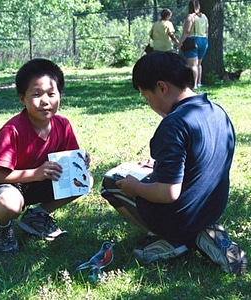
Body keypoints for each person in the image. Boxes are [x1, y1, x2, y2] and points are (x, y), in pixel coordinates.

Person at [101, 51, 247, 275]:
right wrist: (158, 166)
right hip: (211, 208)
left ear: (162, 87)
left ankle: (172, 239)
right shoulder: (217, 111)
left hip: (180, 215)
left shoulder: (174, 124)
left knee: (111, 182)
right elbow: (201, 160)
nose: (149, 104)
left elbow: (168, 193)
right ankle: (202, 230)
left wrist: (135, 187)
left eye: (146, 97)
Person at [0, 58, 92, 254]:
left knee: (84, 180)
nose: (45, 101)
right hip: (4, 184)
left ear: (60, 96)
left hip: (37, 181)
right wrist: (36, 173)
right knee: (9, 205)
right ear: (22, 98)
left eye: (51, 94)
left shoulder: (62, 125)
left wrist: (79, 162)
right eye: (36, 94)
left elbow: (68, 162)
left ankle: (37, 217)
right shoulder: (13, 130)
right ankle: (3, 228)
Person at [179, 0, 209, 89]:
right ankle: (199, 82)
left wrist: (181, 42)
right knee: (199, 64)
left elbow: (187, 31)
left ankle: (194, 84)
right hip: (204, 40)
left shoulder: (190, 17)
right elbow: (206, 31)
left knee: (192, 65)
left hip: (193, 40)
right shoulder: (204, 17)